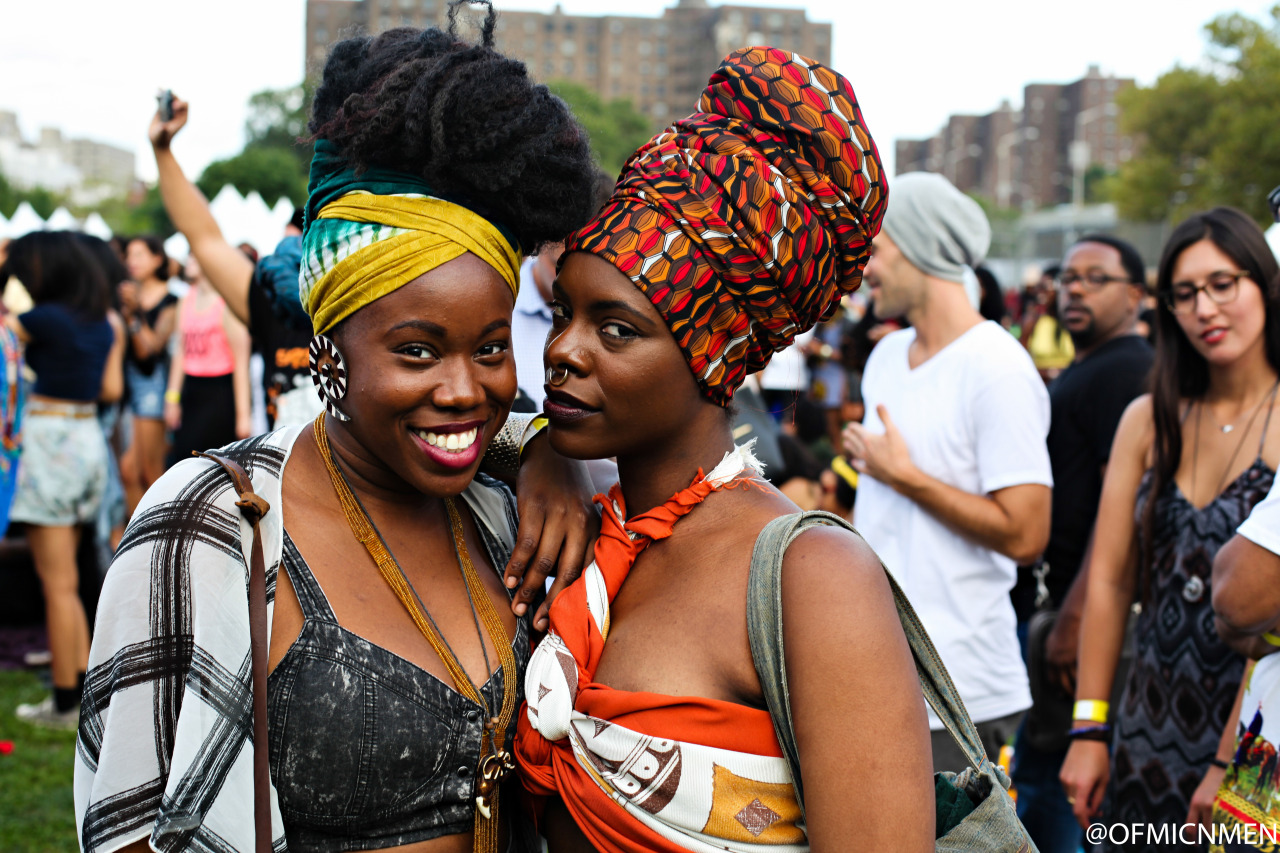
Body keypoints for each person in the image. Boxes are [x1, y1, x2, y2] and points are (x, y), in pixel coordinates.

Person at [75, 8, 604, 852]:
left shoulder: (502, 511)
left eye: (492, 347)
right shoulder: (215, 520)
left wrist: (548, 450)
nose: (464, 390)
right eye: (417, 350)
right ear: (329, 345)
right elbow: (136, 826)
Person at [516, 47, 935, 852]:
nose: (564, 350)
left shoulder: (810, 577)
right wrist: (537, 445)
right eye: (564, 310)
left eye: (616, 330)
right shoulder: (570, 520)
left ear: (713, 355)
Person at [1060, 207, 1280, 846]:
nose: (1205, 309)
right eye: (1185, 294)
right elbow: (1107, 584)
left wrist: (1224, 762)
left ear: (1262, 284)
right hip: (1142, 727)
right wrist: (1088, 729)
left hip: (1248, 733)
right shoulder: (1147, 419)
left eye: (1222, 284)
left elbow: (1268, 622)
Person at [843, 171, 1052, 774]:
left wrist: (904, 476)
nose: (865, 269)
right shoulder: (885, 356)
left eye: (876, 249)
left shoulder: (998, 368)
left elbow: (1026, 534)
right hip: (877, 677)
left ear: (919, 247)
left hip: (961, 693)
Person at [1009, 234, 1152, 853]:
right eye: (1068, 277)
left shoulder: (1127, 369)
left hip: (1081, 617)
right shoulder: (1092, 366)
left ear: (1136, 295)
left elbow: (1121, 510)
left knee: (1063, 796)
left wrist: (1077, 617)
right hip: (1060, 605)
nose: (1075, 289)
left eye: (1096, 278)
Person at [1, 232, 118, 729]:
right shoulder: (103, 324)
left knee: (58, 585)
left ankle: (68, 703)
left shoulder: (38, 321)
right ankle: (81, 693)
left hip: (49, 443)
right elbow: (112, 387)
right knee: (67, 579)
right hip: (88, 439)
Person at [150, 100, 322, 430]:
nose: (290, 253)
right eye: (286, 242)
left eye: (299, 241)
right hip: (287, 472)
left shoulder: (365, 308)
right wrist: (163, 151)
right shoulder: (272, 307)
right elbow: (205, 239)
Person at [164, 254, 252, 464]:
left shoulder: (226, 303)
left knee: (212, 466)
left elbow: (241, 362)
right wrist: (172, 398)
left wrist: (243, 416)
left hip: (219, 393)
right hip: (191, 391)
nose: (189, 260)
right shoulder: (186, 300)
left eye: (195, 255)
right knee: (184, 460)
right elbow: (180, 352)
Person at [118, 234, 178, 514]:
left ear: (157, 259)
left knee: (149, 473)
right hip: (126, 388)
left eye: (139, 255)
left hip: (153, 386)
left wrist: (133, 315)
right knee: (129, 470)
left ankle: (159, 537)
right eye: (129, 255)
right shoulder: (125, 294)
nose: (132, 261)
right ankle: (136, 540)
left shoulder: (171, 300)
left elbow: (150, 349)